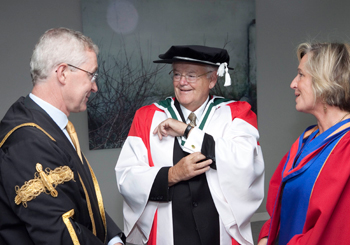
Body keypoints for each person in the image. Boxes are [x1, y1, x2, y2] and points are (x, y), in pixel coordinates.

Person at [115, 45, 265, 245]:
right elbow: (126, 176)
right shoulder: (147, 116)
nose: (182, 82)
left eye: (192, 75)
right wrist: (172, 175)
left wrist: (188, 131)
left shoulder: (236, 114)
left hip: (218, 231)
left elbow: (246, 162)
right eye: (177, 74)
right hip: (168, 232)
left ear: (212, 80)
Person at [0, 28, 125, 245]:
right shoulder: (28, 140)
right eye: (91, 75)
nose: (95, 87)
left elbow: (83, 200)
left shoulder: (51, 126)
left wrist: (114, 239)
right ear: (63, 73)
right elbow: (57, 231)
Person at [258, 42, 350, 245]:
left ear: (325, 81)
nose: (293, 83)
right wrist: (266, 238)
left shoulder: (346, 148)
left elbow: (334, 233)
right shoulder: (306, 139)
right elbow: (279, 204)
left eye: (301, 75)